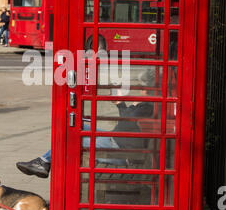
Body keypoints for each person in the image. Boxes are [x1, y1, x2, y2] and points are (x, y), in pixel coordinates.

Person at [16, 74, 155, 178]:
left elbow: (128, 119)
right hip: (116, 141)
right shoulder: (148, 104)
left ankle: (44, 162)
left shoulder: (149, 105)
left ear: (148, 89)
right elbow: (128, 121)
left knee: (73, 139)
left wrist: (122, 103)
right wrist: (124, 104)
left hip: (119, 151)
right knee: (74, 125)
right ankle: (43, 161)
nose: (141, 90)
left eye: (142, 87)